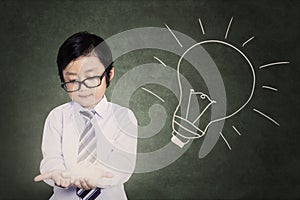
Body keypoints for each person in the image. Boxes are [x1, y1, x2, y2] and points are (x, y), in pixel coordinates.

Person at [34, 31, 138, 200]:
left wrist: (97, 176)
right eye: (73, 80)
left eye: (91, 78)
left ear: (109, 74)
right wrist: (59, 175)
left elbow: (123, 165)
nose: (83, 88)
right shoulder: (57, 117)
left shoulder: (124, 117)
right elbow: (51, 159)